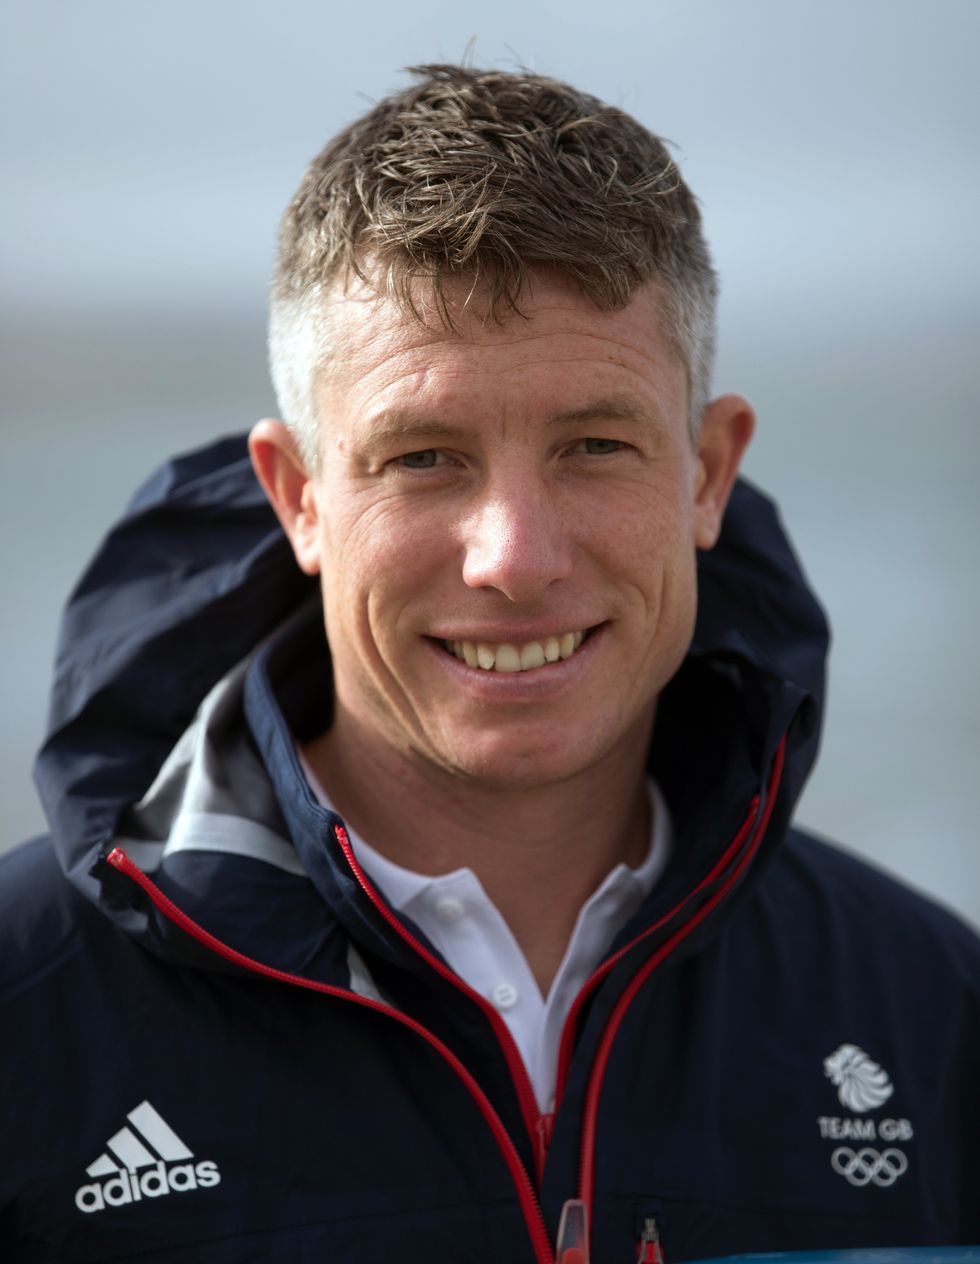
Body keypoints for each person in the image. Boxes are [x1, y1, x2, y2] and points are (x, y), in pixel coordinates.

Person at [1, 64, 978, 1264]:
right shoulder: (23, 1007)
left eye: (594, 444)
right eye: (422, 457)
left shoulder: (931, 1012)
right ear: (298, 499)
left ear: (707, 474)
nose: (513, 558)